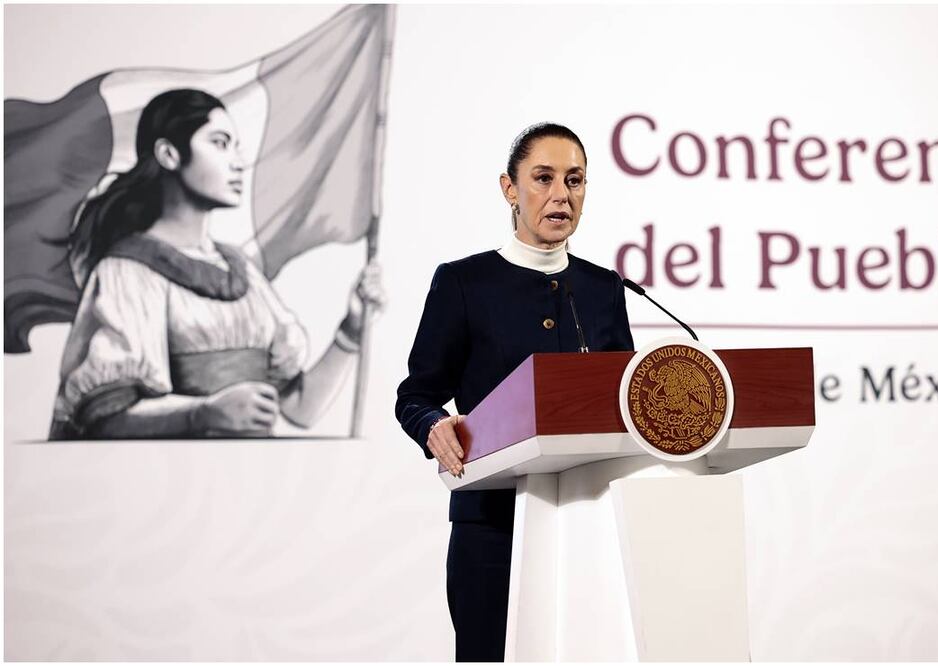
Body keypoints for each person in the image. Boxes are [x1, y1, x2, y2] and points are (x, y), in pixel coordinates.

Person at [395, 123, 634, 661]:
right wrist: (432, 425)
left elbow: (625, 401)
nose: (560, 195)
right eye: (543, 178)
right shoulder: (463, 283)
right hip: (491, 524)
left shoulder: (603, 290)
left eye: (574, 180)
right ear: (510, 189)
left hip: (587, 520)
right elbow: (416, 392)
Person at [50, 88, 383, 440]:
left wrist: (351, 329)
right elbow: (105, 419)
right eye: (220, 143)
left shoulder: (242, 271)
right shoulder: (127, 272)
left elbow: (300, 408)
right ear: (169, 154)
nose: (238, 162)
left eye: (236, 146)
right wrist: (203, 413)